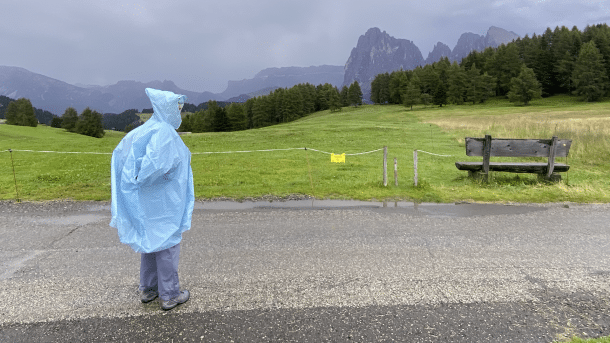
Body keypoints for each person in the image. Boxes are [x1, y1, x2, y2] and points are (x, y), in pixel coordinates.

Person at [110, 88, 195, 311]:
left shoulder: (146, 130)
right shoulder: (164, 133)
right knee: (167, 245)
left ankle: (149, 289)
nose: (179, 111)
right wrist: (163, 175)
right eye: (177, 107)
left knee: (150, 243)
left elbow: (125, 159)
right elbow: (152, 166)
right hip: (165, 202)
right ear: (166, 107)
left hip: (149, 202)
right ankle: (169, 295)